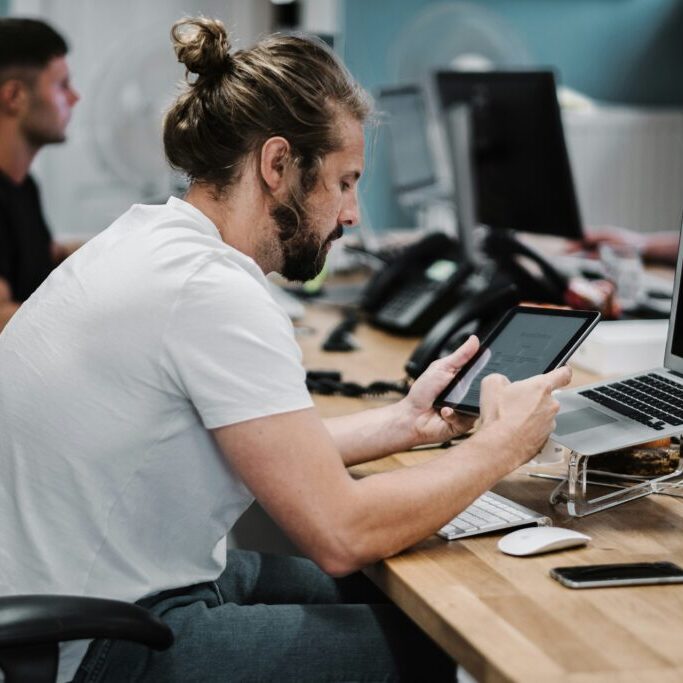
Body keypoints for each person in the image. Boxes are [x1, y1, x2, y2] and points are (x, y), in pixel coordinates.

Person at [0, 17, 571, 683]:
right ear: (277, 164)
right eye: (344, 180)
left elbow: (267, 451)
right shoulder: (211, 290)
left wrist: (404, 422)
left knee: (385, 593)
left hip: (92, 594)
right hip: (98, 641)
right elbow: (341, 532)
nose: (352, 213)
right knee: (431, 647)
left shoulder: (152, 238)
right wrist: (499, 446)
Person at [0, 17, 80, 331]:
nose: (75, 97)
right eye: (62, 85)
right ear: (15, 96)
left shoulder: (23, 186)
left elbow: (46, 256)